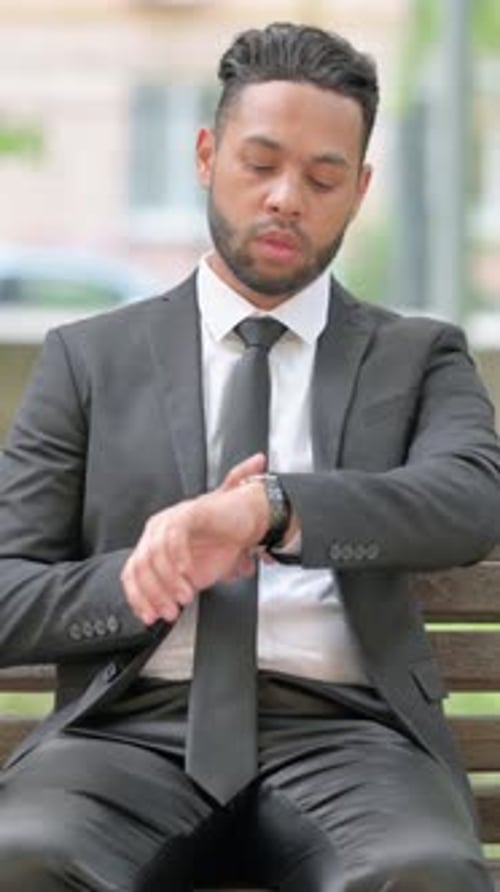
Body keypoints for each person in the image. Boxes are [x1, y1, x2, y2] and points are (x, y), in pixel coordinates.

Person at [0, 21, 498, 892]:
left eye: (322, 177)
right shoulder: (90, 356)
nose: (285, 198)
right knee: (22, 859)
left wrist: (269, 508)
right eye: (260, 163)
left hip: (351, 735)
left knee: (424, 875)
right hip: (126, 736)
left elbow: (468, 499)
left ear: (360, 189)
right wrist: (151, 575)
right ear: (205, 155)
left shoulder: (419, 356)